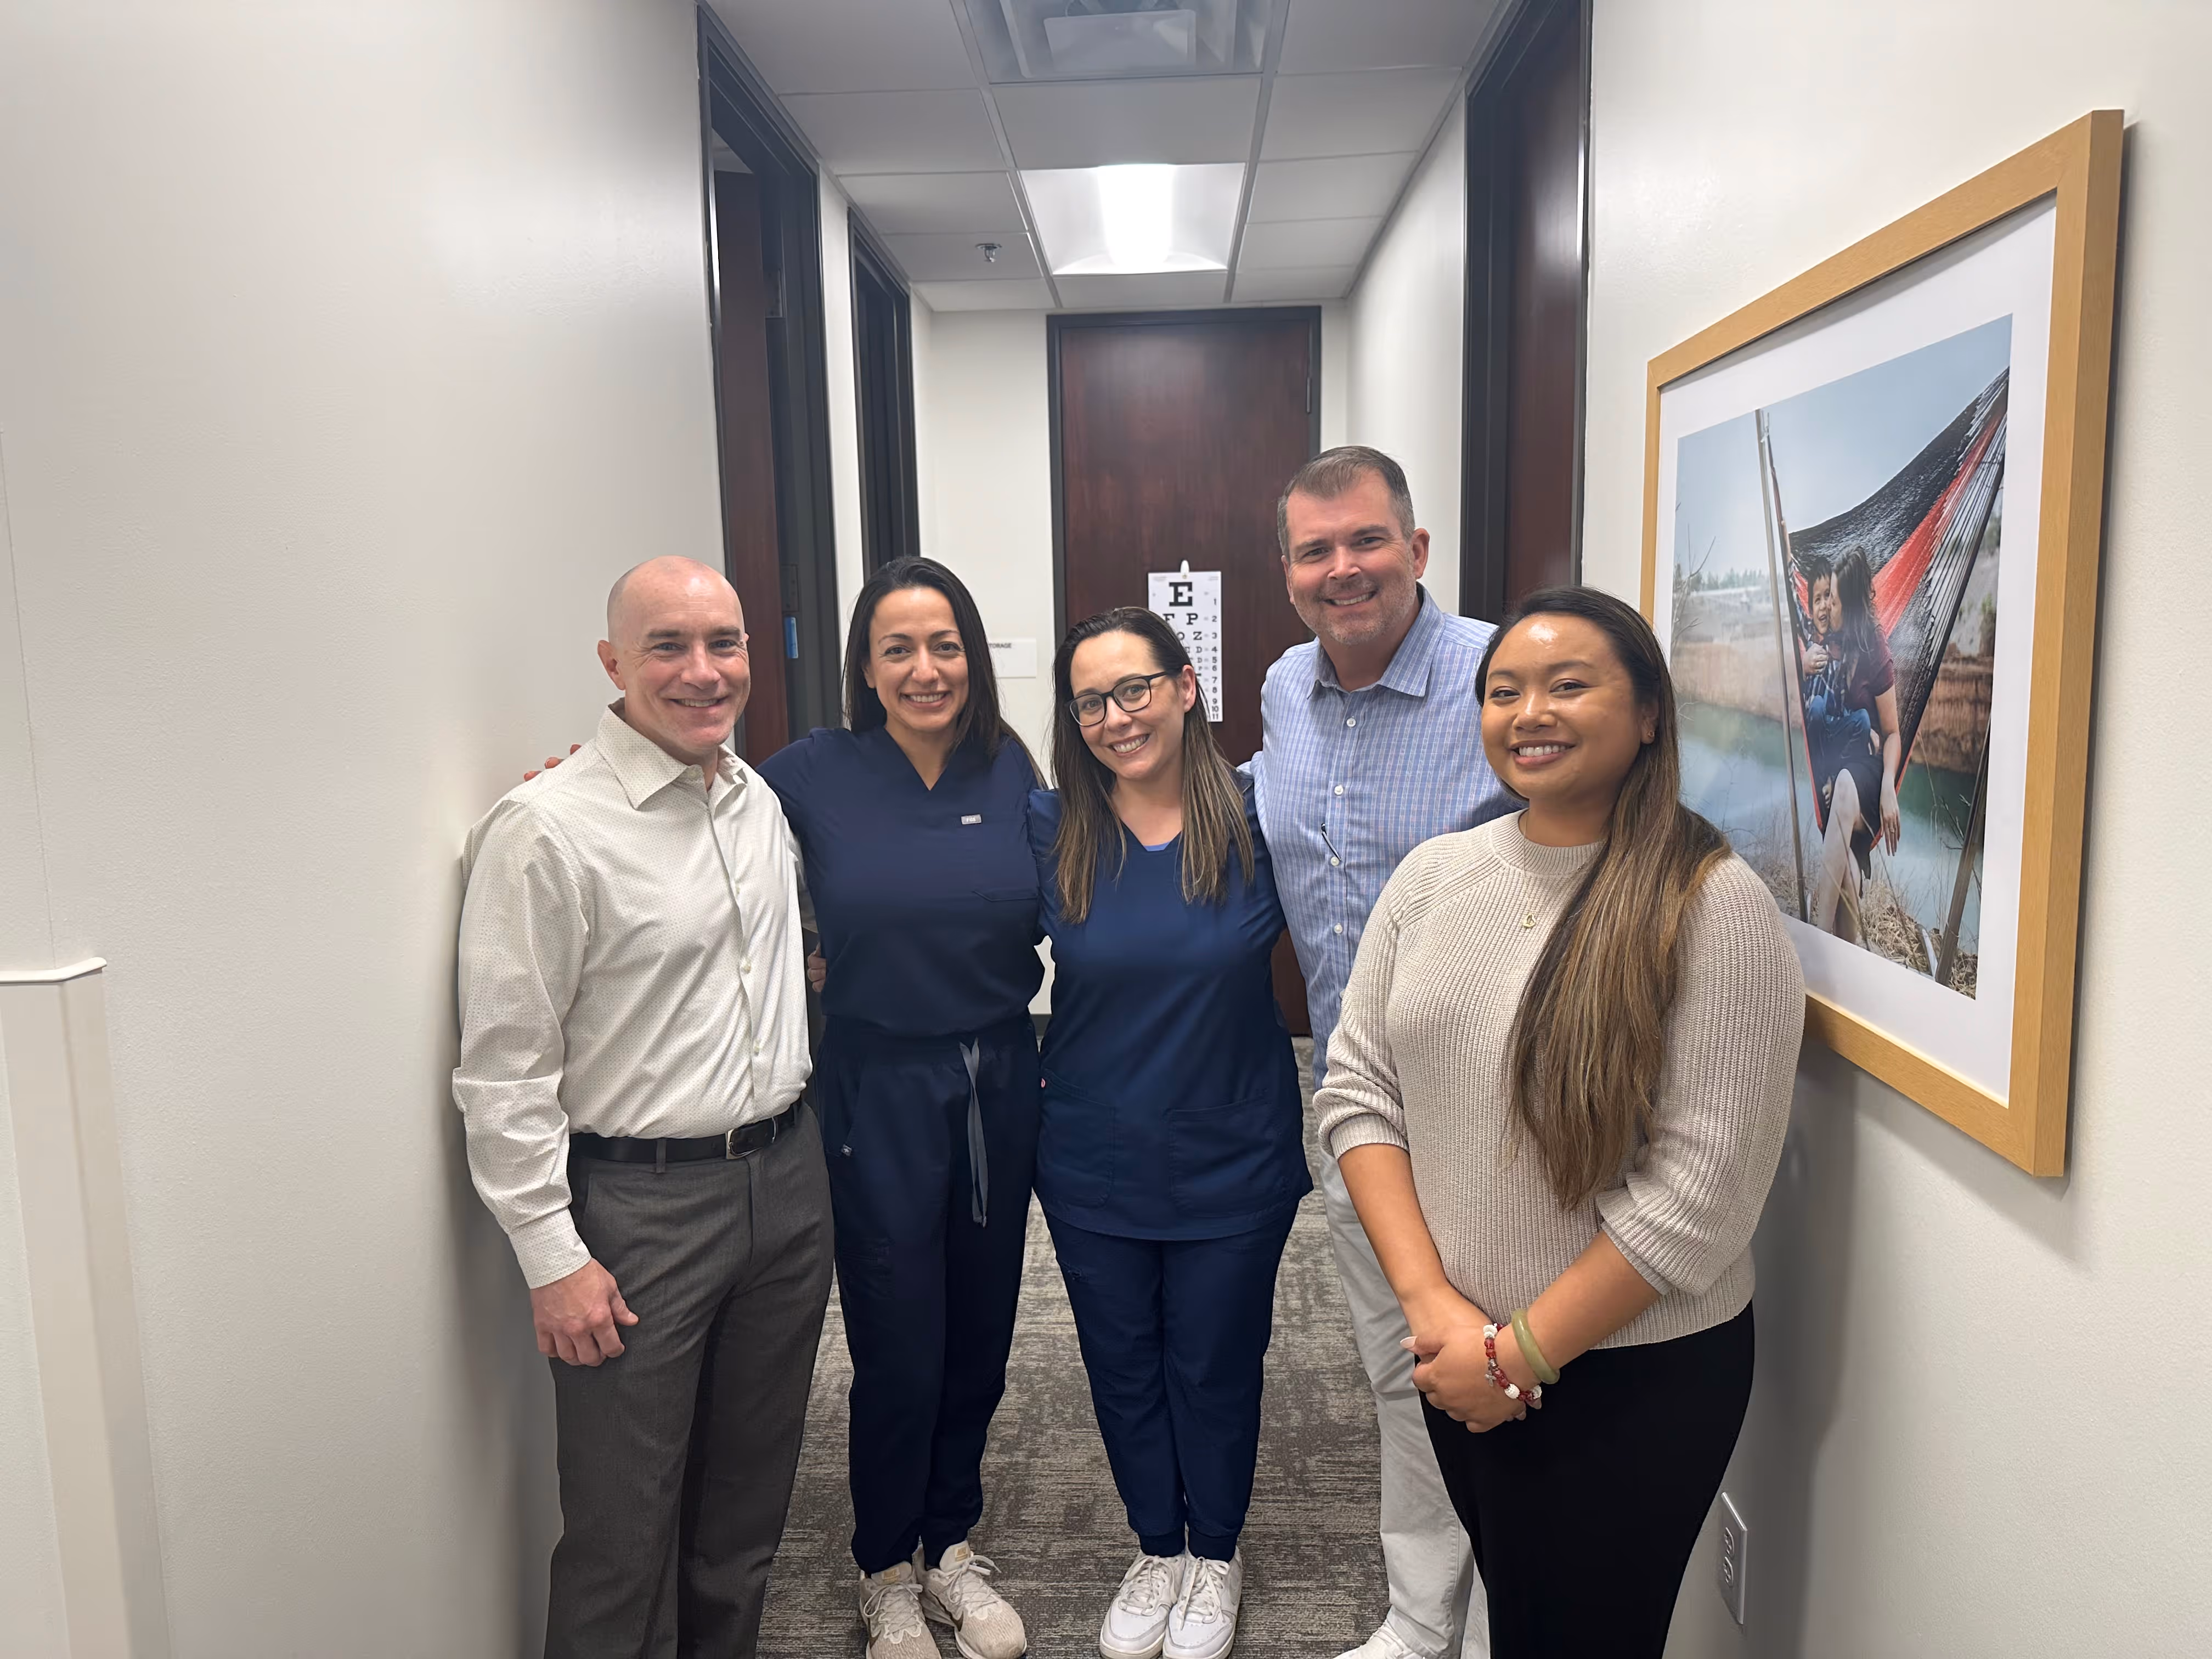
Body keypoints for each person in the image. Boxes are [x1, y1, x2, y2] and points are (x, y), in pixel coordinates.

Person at [1316, 586, 1805, 1658]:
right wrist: (1438, 1312)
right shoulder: (1436, 875)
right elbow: (1357, 1088)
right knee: (1524, 1615)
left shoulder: (1713, 904)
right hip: (1460, 1349)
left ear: (1646, 716)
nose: (1530, 711)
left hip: (1627, 1377)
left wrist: (1518, 1358)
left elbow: (1699, 1199)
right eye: (1505, 691)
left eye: (1569, 684)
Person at [454, 556, 831, 1659]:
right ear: (613, 663)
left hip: (788, 1189)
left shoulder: (752, 795)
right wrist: (548, 1254)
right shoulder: (545, 830)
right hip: (636, 1212)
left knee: (744, 1514)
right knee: (623, 1534)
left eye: (726, 644)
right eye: (668, 646)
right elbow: (504, 1071)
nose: (704, 672)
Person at [1244, 445, 1513, 1659]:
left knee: (1509, 1370)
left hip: (1505, 1109)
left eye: (1365, 541)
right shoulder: (1284, 688)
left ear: (1416, 548)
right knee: (1403, 1374)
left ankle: (1510, 1617)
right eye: (1315, 550)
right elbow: (1253, 812)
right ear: (1288, 571)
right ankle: (1420, 1618)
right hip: (1355, 1107)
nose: (1341, 570)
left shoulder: (1502, 677)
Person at [757, 557, 1039, 1659]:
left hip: (1002, 1079)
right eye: (899, 650)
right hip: (878, 1088)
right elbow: (695, 821)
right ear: (865, 670)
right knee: (900, 1341)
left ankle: (952, 1546)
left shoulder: (1010, 765)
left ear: (972, 656)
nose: (927, 669)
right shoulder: (810, 772)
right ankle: (884, 1567)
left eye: (946, 646)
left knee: (982, 1335)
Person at [1031, 608, 1310, 1659]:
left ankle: (1216, 1552)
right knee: (1123, 1362)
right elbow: (950, 931)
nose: (1115, 715)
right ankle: (1157, 1544)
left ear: (1186, 686)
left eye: (1134, 688)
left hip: (1232, 1154)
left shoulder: (1258, 815)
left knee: (1215, 1360)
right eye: (1091, 700)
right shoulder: (1049, 824)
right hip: (1093, 1153)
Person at [1802, 546, 1901, 941]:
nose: (1831, 607)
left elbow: (1893, 733)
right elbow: (1803, 635)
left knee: (1844, 787)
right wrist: (1803, 659)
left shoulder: (1877, 652)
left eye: (1838, 600)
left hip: (1869, 774)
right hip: (1838, 762)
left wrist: (1889, 788)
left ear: (1854, 606)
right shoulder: (1831, 639)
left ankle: (1815, 942)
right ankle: (1848, 944)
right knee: (1850, 913)